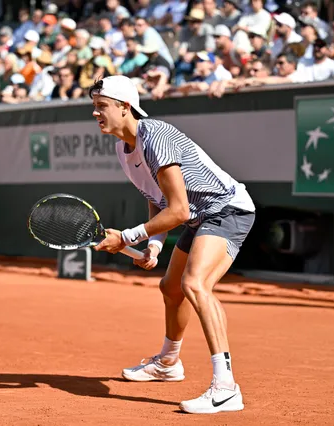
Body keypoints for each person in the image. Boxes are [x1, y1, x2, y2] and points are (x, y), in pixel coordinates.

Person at [91, 75, 256, 414]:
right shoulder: (124, 149)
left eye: (101, 106)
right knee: (171, 288)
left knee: (195, 284)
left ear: (124, 107)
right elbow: (158, 198)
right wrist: (154, 244)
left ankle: (226, 387)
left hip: (227, 209)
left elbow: (178, 209)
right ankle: (168, 363)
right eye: (95, 107)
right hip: (198, 217)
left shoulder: (156, 137)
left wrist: (126, 237)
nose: (96, 113)